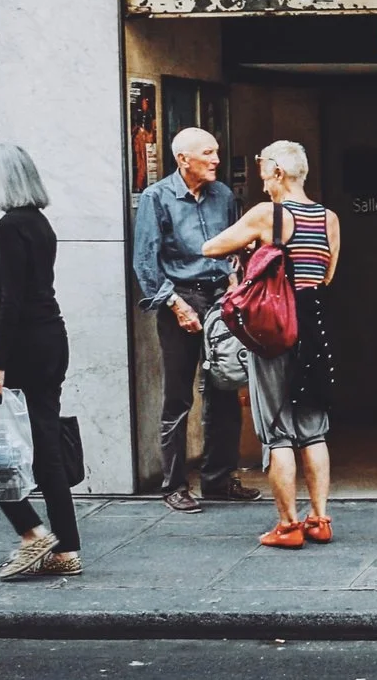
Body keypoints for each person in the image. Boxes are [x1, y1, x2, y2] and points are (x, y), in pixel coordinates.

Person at [201, 140, 338, 548]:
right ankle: (320, 519)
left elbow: (211, 247)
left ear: (278, 172)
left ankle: (287, 526)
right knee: (313, 430)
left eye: (263, 170)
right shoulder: (328, 217)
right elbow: (326, 275)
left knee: (277, 432)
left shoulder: (268, 215)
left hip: (276, 329)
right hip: (314, 327)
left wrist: (253, 248)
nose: (261, 181)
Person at [129, 126, 258, 512]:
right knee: (179, 396)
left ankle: (219, 479)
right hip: (180, 300)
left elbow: (235, 245)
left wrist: (236, 277)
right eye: (208, 154)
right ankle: (173, 485)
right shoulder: (157, 197)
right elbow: (145, 261)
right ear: (183, 159)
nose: (216, 160)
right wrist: (176, 305)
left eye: (216, 152)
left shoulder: (223, 196)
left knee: (225, 389)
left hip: (221, 300)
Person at [0, 141, 81, 579]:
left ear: (1, 179)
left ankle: (33, 534)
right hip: (49, 340)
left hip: (25, 347)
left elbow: (11, 302)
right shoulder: (37, 223)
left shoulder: (12, 226)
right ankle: (66, 549)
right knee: (45, 447)